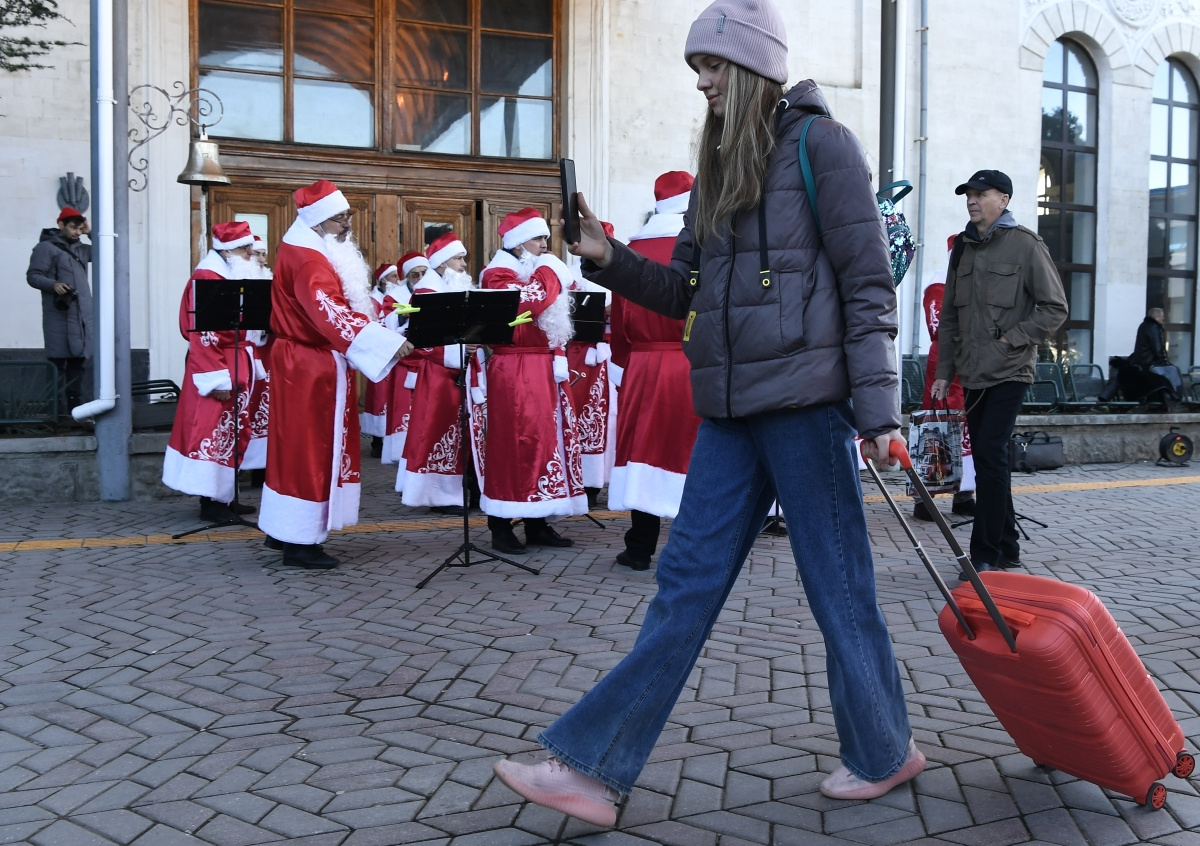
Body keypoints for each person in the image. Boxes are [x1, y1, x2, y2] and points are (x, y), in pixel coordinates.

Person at [492, 0, 923, 826]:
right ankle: (593, 769)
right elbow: (683, 291)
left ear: (755, 65)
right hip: (728, 412)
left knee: (839, 589)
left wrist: (879, 414)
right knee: (683, 585)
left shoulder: (823, 146)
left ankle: (883, 749)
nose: (702, 83)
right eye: (697, 68)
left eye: (713, 65)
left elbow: (869, 285)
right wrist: (608, 258)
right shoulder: (717, 165)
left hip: (806, 407)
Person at [258, 180, 410, 569]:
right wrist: (384, 343)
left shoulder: (303, 249)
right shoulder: (310, 260)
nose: (347, 225)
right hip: (309, 365)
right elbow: (330, 313)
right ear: (318, 220)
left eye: (347, 217)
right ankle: (301, 540)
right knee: (311, 446)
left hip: (302, 360)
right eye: (340, 218)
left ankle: (284, 529)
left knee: (294, 445)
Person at [932, 170, 1067, 579]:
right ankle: (1008, 546)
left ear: (1003, 200)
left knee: (989, 454)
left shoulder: (1026, 244)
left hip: (1010, 369)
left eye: (980, 194)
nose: (972, 201)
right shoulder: (963, 247)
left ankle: (984, 553)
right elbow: (950, 317)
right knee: (988, 458)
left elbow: (1055, 308)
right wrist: (945, 371)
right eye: (968, 195)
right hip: (973, 372)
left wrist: (1013, 340)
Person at [607, 171, 703, 571]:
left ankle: (639, 547)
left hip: (642, 366)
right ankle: (691, 548)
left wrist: (621, 363)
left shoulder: (632, 250)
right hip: (691, 361)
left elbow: (618, 321)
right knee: (691, 453)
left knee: (643, 453)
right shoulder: (701, 245)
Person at [479, 207, 587, 555]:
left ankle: (537, 522)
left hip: (542, 367)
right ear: (517, 243)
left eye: (545, 237)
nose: (544, 244)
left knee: (544, 443)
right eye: (538, 238)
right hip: (516, 369)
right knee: (513, 446)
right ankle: (500, 525)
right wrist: (550, 269)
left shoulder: (532, 270)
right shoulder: (496, 275)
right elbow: (530, 301)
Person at [162, 221, 269, 521]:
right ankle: (210, 502)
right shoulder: (208, 278)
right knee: (214, 431)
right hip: (218, 365)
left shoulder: (230, 274)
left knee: (233, 432)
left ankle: (225, 495)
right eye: (245, 248)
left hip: (238, 360)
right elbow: (203, 334)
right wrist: (216, 378)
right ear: (227, 251)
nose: (251, 253)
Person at [398, 232, 474, 513]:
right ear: (442, 262)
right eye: (458, 258)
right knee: (436, 430)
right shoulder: (427, 292)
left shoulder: (448, 285)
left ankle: (461, 487)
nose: (464, 264)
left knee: (459, 431)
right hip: (438, 374)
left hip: (458, 371)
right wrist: (457, 351)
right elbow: (420, 340)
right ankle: (437, 495)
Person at [911, 235, 975, 522]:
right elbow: (938, 328)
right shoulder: (939, 284)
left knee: (967, 431)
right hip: (946, 366)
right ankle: (925, 497)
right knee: (937, 430)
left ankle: (965, 493)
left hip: (973, 367)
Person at [26, 206, 93, 412]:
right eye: (73, 228)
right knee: (57, 368)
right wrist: (53, 285)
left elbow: (111, 252)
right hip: (59, 317)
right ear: (61, 224)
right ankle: (55, 414)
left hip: (80, 320)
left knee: (77, 369)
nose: (77, 233)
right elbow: (33, 276)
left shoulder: (82, 249)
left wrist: (91, 232)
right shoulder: (45, 248)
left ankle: (75, 413)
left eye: (80, 229)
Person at [381, 251, 428, 466]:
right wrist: (406, 314)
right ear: (407, 277)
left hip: (429, 361)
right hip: (406, 361)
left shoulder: (434, 289)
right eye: (415, 275)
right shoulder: (395, 296)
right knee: (403, 411)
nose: (420, 278)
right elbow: (388, 321)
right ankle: (402, 456)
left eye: (424, 273)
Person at [362, 262, 400, 457]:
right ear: (384, 280)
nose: (398, 280)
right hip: (379, 354)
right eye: (394, 276)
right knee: (379, 397)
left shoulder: (397, 297)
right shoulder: (372, 301)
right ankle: (377, 441)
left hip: (397, 353)